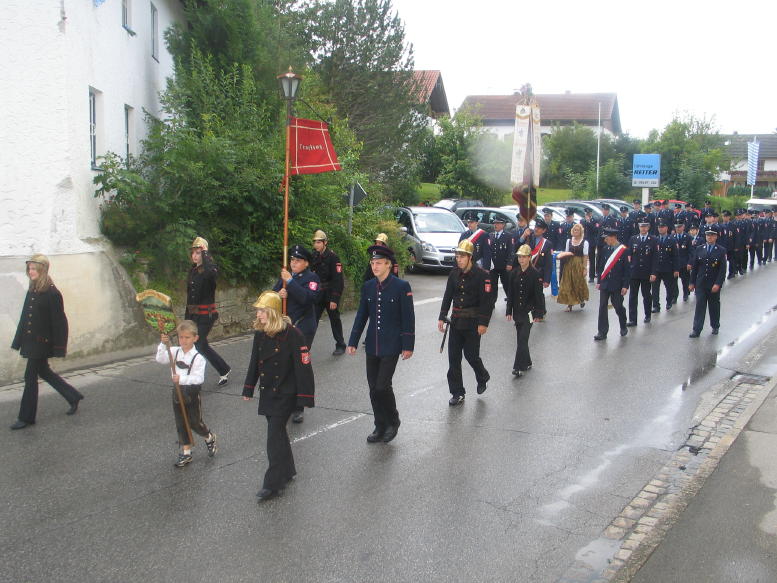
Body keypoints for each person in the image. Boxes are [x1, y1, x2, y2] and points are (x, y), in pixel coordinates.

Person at [242, 291, 314, 501]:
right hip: (268, 391)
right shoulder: (261, 333)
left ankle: (273, 483)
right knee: (279, 434)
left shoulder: (293, 334)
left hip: (286, 393)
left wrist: (304, 398)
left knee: (273, 436)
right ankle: (288, 469)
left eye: (262, 311)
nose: (258, 315)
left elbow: (304, 368)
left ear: (273, 312)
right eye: (258, 311)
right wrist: (248, 388)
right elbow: (255, 362)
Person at [347, 245, 414, 443]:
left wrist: (408, 345)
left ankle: (393, 421)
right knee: (373, 387)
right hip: (373, 344)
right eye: (372, 263)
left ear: (388, 265)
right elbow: (362, 315)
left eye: (378, 263)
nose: (374, 266)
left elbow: (408, 317)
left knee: (382, 386)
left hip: (392, 344)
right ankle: (379, 424)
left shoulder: (401, 286)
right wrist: (353, 340)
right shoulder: (368, 286)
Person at [10, 254, 84, 430]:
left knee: (30, 377)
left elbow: (59, 322)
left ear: (42, 270)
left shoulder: (52, 293)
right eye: (29, 268)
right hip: (31, 342)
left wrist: (59, 348)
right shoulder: (33, 288)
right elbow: (25, 317)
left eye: (34, 269)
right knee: (44, 372)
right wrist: (18, 340)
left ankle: (26, 417)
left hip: (42, 343)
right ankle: (73, 396)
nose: (30, 272)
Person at [438, 240, 496, 406]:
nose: (459, 259)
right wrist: (442, 316)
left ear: (470, 257)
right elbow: (448, 295)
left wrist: (483, 323)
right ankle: (457, 392)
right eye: (457, 256)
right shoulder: (454, 274)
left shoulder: (482, 275)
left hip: (473, 322)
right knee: (453, 359)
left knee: (471, 356)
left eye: (462, 256)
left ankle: (482, 376)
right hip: (456, 322)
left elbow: (487, 301)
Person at [157, 320, 218, 467]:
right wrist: (163, 344)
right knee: (181, 422)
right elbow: (160, 359)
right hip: (177, 391)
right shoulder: (174, 351)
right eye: (181, 337)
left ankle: (209, 436)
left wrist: (182, 379)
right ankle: (186, 452)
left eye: (187, 337)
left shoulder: (198, 358)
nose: (183, 340)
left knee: (194, 422)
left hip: (191, 392)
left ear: (195, 338)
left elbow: (199, 379)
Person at [274, 244, 320, 423]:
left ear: (306, 263)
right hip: (285, 326)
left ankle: (298, 407)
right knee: (284, 364)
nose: (293, 263)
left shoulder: (312, 278)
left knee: (298, 366)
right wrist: (279, 294)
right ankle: (286, 400)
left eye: (298, 260)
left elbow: (308, 299)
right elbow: (272, 294)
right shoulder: (286, 276)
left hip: (303, 327)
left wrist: (291, 284)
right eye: (292, 259)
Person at [185, 237, 231, 387]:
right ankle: (224, 369)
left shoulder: (210, 270)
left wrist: (205, 253)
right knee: (201, 345)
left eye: (198, 253)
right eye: (193, 253)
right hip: (194, 315)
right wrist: (187, 319)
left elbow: (211, 273)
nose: (195, 256)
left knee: (196, 344)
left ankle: (193, 379)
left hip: (206, 316)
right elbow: (190, 297)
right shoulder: (193, 271)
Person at [506, 244, 545, 377]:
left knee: (523, 338)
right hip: (517, 311)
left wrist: (539, 313)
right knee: (520, 339)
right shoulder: (514, 273)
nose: (521, 259)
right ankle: (527, 361)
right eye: (519, 257)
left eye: (524, 257)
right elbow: (510, 294)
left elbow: (539, 295)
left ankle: (518, 367)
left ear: (529, 258)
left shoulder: (535, 274)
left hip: (529, 312)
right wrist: (508, 311)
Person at [310, 230, 346, 356]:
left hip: (330, 294)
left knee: (334, 320)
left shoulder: (333, 257)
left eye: (319, 242)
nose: (316, 245)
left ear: (325, 243)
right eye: (315, 242)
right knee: (312, 321)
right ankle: (305, 347)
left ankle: (340, 345)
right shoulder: (314, 256)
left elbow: (338, 280)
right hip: (318, 294)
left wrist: (334, 299)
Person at [689, 228, 727, 338]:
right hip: (701, 283)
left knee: (714, 306)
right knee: (700, 306)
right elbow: (695, 268)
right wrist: (692, 282)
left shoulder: (721, 250)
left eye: (712, 235)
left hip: (713, 284)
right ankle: (696, 329)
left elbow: (722, 270)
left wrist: (718, 284)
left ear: (716, 237)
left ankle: (715, 325)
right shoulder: (700, 249)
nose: (709, 237)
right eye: (708, 235)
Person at [594, 228, 629, 341]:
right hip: (605, 283)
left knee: (617, 305)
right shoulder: (605, 249)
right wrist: (599, 281)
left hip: (617, 283)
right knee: (602, 306)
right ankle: (602, 332)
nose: (605, 240)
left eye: (607, 238)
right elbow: (601, 267)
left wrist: (625, 285)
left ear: (613, 237)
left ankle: (623, 324)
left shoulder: (623, 250)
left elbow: (627, 270)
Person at [626, 221, 655, 326]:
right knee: (632, 296)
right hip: (634, 272)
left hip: (646, 272)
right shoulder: (633, 239)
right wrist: (629, 270)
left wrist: (653, 273)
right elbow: (629, 256)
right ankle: (632, 319)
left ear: (648, 227)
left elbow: (655, 258)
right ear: (638, 227)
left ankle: (647, 315)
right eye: (641, 226)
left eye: (645, 226)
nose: (643, 228)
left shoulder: (653, 239)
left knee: (646, 295)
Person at [556, 223, 589, 311]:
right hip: (569, 264)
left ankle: (581, 299)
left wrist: (585, 269)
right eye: (574, 230)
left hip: (578, 264)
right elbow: (566, 252)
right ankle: (569, 304)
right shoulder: (569, 241)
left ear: (581, 232)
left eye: (577, 230)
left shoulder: (584, 242)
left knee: (578, 283)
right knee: (567, 284)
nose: (575, 231)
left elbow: (585, 256)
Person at [650, 220, 679, 312]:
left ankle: (669, 302)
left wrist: (676, 269)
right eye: (659, 227)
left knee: (669, 287)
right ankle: (656, 306)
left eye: (662, 227)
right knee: (655, 289)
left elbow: (675, 256)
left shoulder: (672, 240)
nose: (660, 229)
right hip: (657, 268)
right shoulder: (655, 240)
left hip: (668, 268)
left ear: (666, 228)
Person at [488, 217, 514, 300]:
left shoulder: (508, 236)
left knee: (507, 284)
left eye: (498, 223)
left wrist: (510, 263)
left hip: (504, 265)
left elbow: (511, 251)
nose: (495, 225)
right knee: (493, 286)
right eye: (495, 223)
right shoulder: (490, 235)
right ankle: (492, 302)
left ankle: (510, 300)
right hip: (493, 265)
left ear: (503, 225)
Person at [673, 222, 693, 302]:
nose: (678, 228)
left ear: (683, 227)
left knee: (685, 280)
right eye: (676, 227)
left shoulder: (688, 237)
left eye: (679, 227)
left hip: (684, 262)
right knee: (673, 282)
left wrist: (690, 262)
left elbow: (691, 251)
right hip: (674, 263)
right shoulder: (672, 237)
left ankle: (686, 293)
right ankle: (675, 296)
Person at [580, 209, 600, 282]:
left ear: (591, 213)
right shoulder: (582, 221)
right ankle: (581, 274)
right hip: (584, 242)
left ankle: (591, 276)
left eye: (589, 213)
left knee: (592, 259)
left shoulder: (595, 220)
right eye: (586, 213)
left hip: (591, 242)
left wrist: (589, 222)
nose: (588, 215)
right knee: (582, 259)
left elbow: (596, 229)